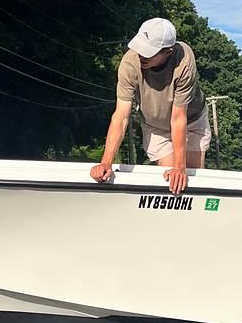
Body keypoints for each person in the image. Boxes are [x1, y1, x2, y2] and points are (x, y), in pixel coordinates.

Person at [90, 18, 210, 194]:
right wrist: (106, 161)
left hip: (190, 121)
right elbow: (121, 116)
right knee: (169, 182)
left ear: (167, 53)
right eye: (140, 47)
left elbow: (178, 118)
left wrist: (180, 168)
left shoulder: (184, 60)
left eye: (148, 52)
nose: (141, 55)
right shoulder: (130, 63)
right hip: (156, 126)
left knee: (187, 178)